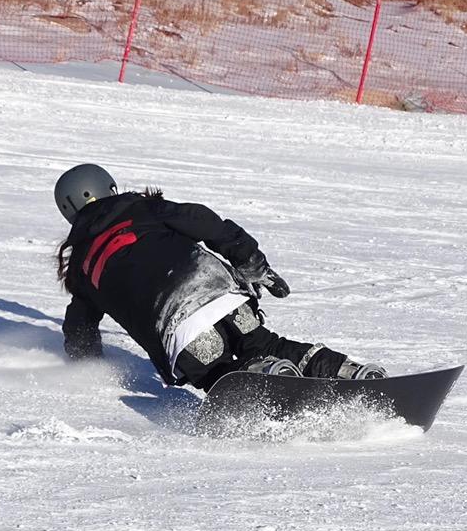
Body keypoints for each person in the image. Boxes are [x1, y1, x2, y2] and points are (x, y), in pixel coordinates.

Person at [54, 163, 387, 392]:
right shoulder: (142, 208)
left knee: (216, 372)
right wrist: (250, 259)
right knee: (268, 344)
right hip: (220, 295)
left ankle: (261, 380)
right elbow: (204, 222)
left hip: (180, 330)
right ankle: (352, 373)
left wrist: (87, 369)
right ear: (109, 187)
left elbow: (80, 330)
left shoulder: (82, 268)